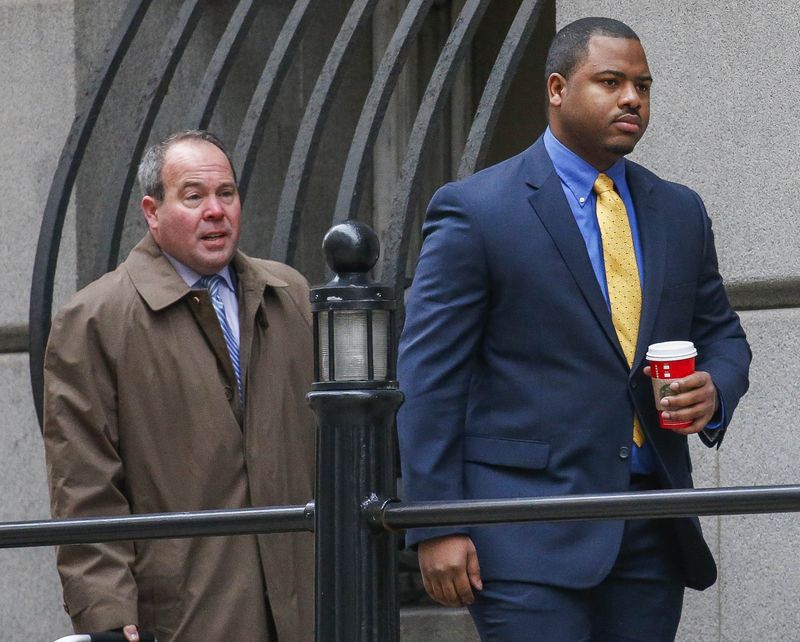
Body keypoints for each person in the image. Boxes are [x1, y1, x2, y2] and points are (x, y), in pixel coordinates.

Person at [397, 17, 751, 641]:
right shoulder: (477, 210)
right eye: (610, 82)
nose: (632, 100)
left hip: (651, 527)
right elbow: (429, 378)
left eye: (642, 85)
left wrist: (714, 389)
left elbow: (722, 334)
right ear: (557, 88)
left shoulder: (679, 210)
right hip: (524, 534)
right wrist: (436, 522)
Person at [43, 130, 315, 641]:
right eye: (193, 196)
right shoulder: (96, 318)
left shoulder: (290, 295)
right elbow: (84, 482)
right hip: (185, 612)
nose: (215, 211)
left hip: (304, 604)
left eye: (226, 194)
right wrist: (104, 614)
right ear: (152, 211)